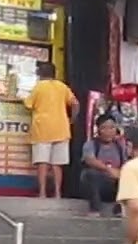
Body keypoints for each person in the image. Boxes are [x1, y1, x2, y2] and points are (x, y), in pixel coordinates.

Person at [23, 62, 78, 199]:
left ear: (40, 74)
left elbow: (28, 105)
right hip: (61, 129)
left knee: (42, 163)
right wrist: (72, 119)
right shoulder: (62, 87)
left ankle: (42, 193)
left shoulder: (39, 87)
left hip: (42, 129)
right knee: (57, 164)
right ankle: (58, 193)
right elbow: (75, 103)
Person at [78, 115, 127, 216]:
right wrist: (108, 170)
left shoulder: (121, 146)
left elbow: (126, 164)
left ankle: (119, 208)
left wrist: (120, 173)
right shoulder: (91, 144)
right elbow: (89, 160)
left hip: (115, 184)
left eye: (112, 128)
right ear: (99, 130)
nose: (108, 131)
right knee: (90, 174)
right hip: (97, 185)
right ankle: (95, 209)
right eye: (104, 128)